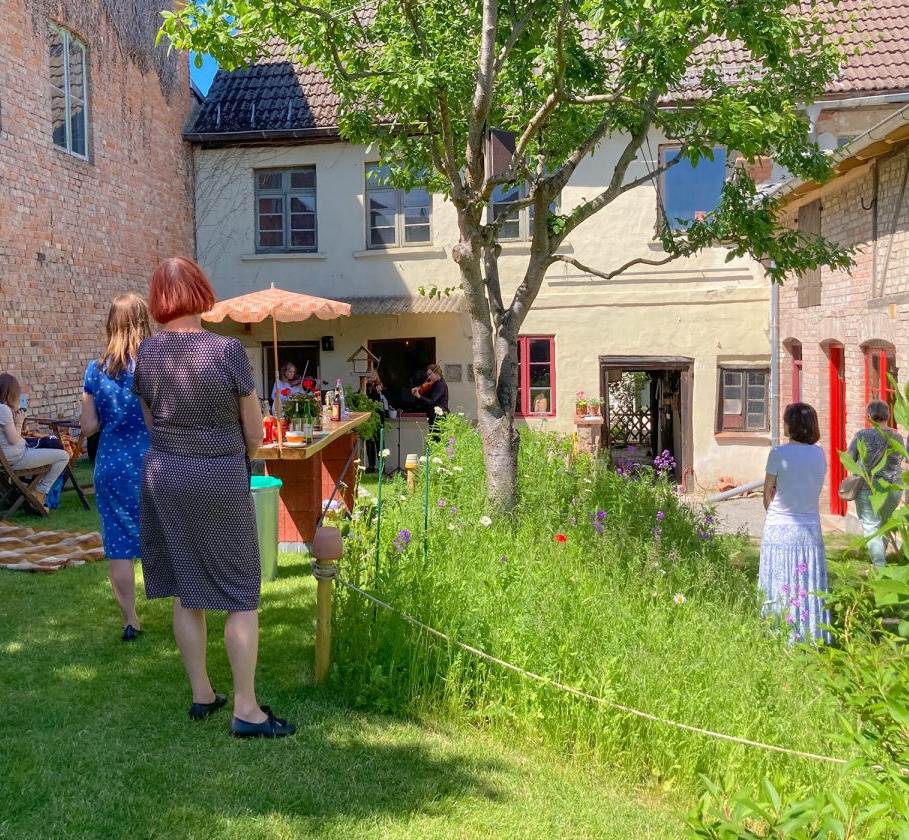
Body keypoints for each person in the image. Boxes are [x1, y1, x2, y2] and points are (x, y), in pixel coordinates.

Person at [133, 256, 295, 738]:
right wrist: (238, 450)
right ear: (202, 291)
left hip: (164, 474)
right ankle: (245, 708)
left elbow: (149, 424)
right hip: (219, 475)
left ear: (159, 300)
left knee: (188, 585)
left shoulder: (146, 355)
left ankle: (202, 693)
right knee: (240, 592)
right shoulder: (227, 352)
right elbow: (253, 432)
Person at [81, 293, 152, 642]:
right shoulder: (154, 365)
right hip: (151, 462)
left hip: (110, 464)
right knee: (164, 535)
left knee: (120, 546)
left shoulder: (95, 370)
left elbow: (88, 425)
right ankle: (187, 608)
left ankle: (130, 620)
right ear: (143, 322)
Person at [759, 402, 830, 645]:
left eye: (786, 419)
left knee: (780, 579)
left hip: (780, 524)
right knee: (806, 581)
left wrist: (773, 509)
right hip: (810, 526)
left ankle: (778, 631)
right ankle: (810, 632)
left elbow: (767, 493)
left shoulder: (779, 453)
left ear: (792, 424)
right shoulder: (819, 454)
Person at [845, 399, 905, 567]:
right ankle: (880, 562)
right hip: (893, 488)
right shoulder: (897, 437)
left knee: (871, 525)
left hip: (867, 487)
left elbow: (848, 458)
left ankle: (879, 565)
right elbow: (902, 458)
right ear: (888, 416)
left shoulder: (861, 436)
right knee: (884, 524)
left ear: (869, 416)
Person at [0, 374, 70, 511]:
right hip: (16, 458)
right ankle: (39, 492)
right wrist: (19, 423)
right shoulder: (3, 409)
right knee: (63, 456)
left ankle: (27, 492)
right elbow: (13, 439)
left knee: (46, 449)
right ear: (10, 392)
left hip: (8, 459)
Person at [411, 363, 449, 434]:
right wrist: (419, 389)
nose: (429, 377)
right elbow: (427, 397)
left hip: (440, 417)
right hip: (434, 416)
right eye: (428, 375)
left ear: (437, 373)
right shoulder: (434, 385)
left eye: (430, 374)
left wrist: (419, 396)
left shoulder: (440, 385)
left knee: (437, 440)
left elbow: (431, 401)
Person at [365, 373, 389, 473]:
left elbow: (385, 406)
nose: (370, 379)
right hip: (369, 419)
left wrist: (379, 394)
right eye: (367, 377)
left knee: (380, 442)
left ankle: (382, 467)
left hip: (378, 418)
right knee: (369, 443)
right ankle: (371, 466)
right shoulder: (365, 388)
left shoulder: (379, 388)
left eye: (371, 376)